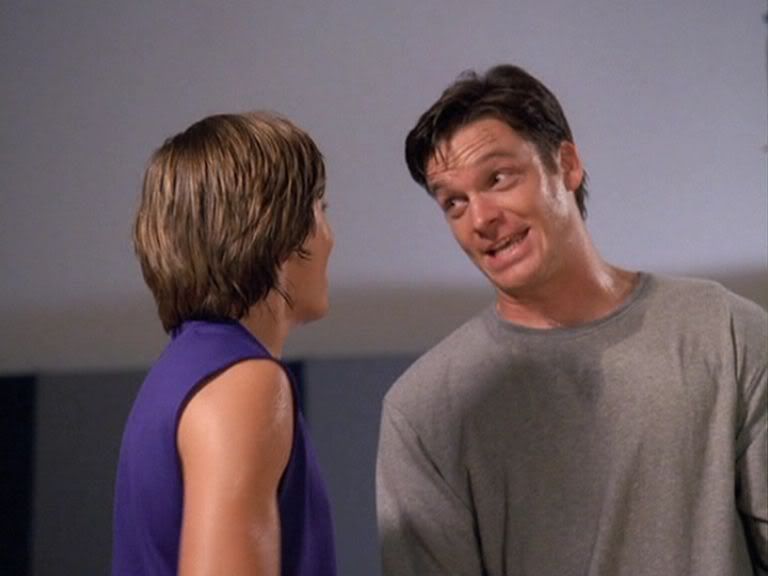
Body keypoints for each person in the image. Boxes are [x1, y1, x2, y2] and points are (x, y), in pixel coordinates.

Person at [376, 64, 767, 575]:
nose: (481, 218)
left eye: (498, 178)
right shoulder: (423, 410)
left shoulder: (724, 331)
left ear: (567, 165)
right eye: (454, 202)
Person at [112, 112, 337, 576]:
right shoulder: (244, 384)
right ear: (279, 228)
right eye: (321, 209)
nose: (329, 238)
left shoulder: (183, 372)